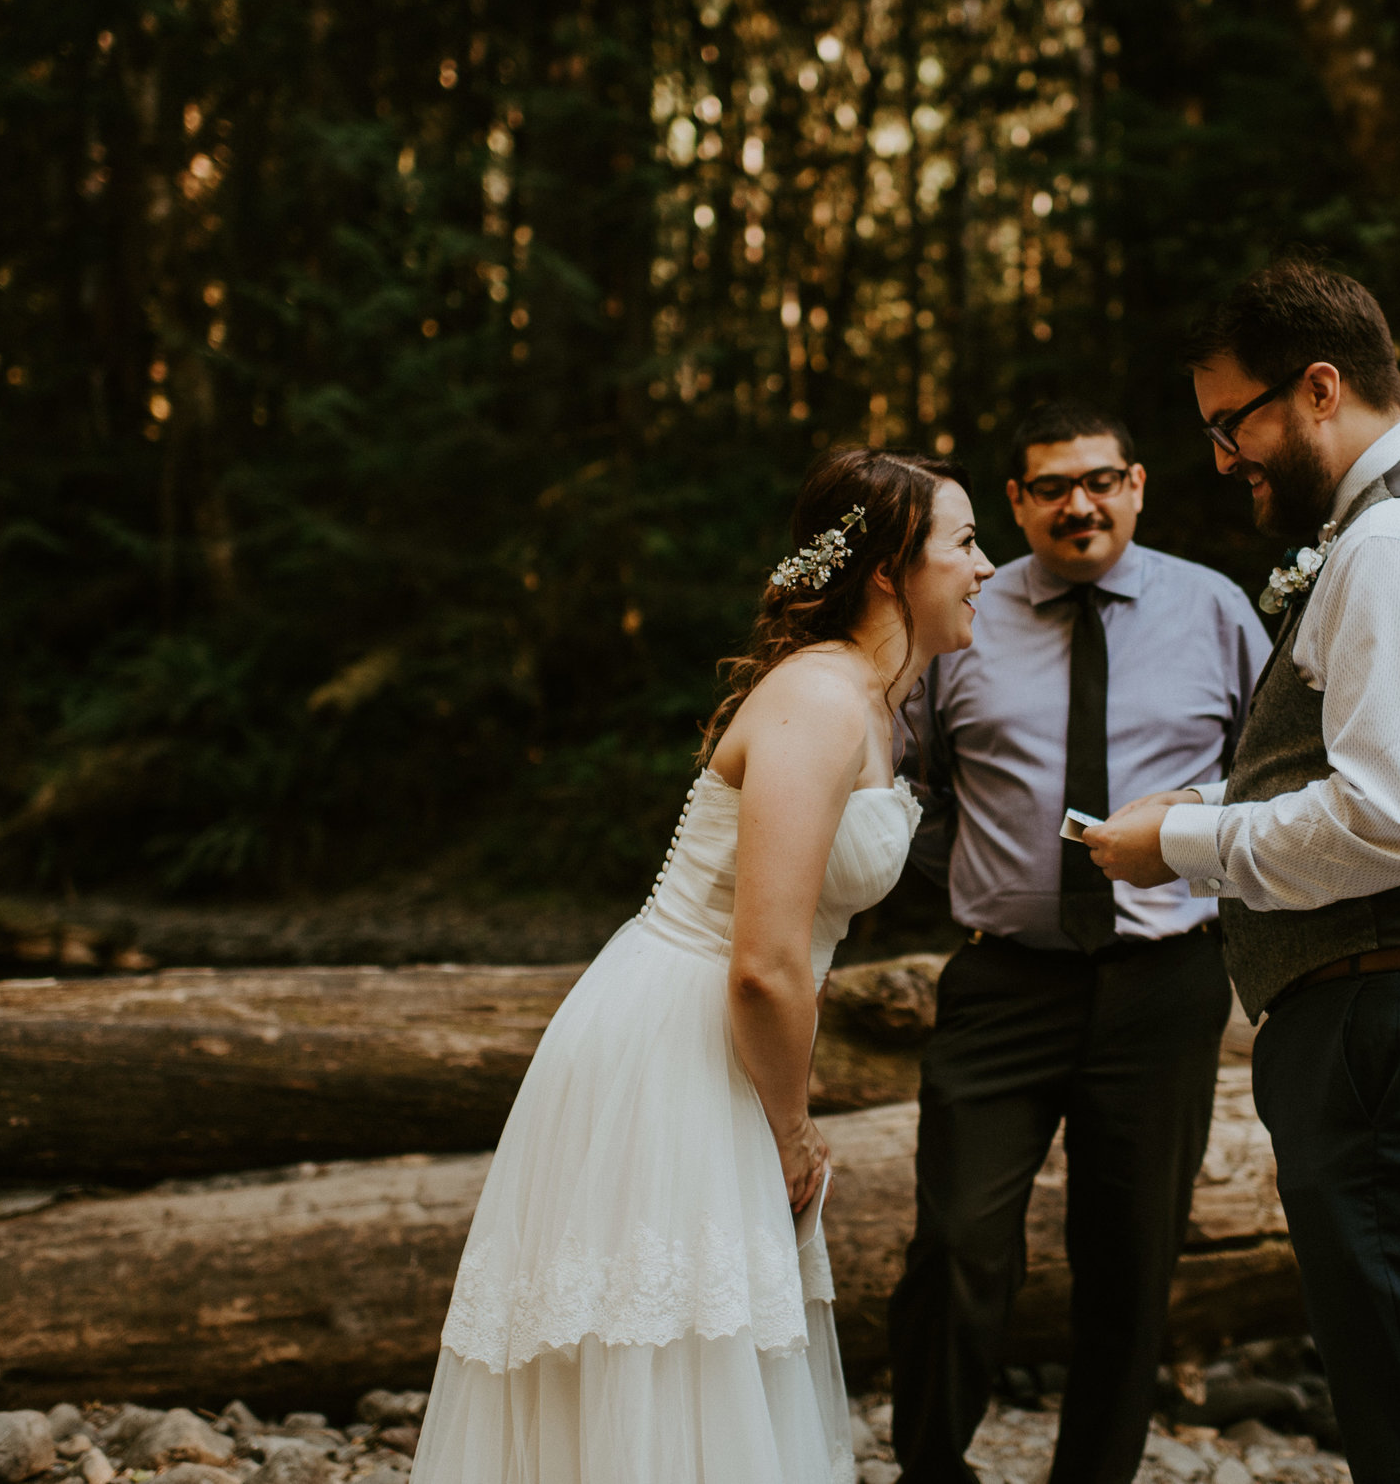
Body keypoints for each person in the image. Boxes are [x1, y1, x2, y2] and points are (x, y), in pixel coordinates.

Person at [411, 448, 996, 1484]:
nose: (985, 566)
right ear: (889, 569)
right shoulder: (818, 700)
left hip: (717, 1033)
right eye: (963, 542)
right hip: (680, 1038)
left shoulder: (873, 699)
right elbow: (764, 964)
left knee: (702, 1344)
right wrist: (790, 1129)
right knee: (672, 1342)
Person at [1084, 258, 1400, 1484]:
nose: (1221, 458)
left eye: (1229, 422)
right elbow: (1372, 774)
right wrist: (1202, 800)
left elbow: (1396, 820)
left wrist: (1183, 847)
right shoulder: (1399, 523)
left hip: (1398, 1014)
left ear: (1315, 388)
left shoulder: (1397, 542)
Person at [887, 401, 1270, 1484]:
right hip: (1003, 977)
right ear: (1015, 504)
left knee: (1130, 1260)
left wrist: (1199, 842)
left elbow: (1282, 772)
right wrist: (968, 874)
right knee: (957, 1241)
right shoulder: (964, 616)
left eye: (1098, 479)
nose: (1078, 503)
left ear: (1138, 485)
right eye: (1050, 486)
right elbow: (902, 776)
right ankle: (928, 1470)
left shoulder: (1216, 611)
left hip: (1165, 980)